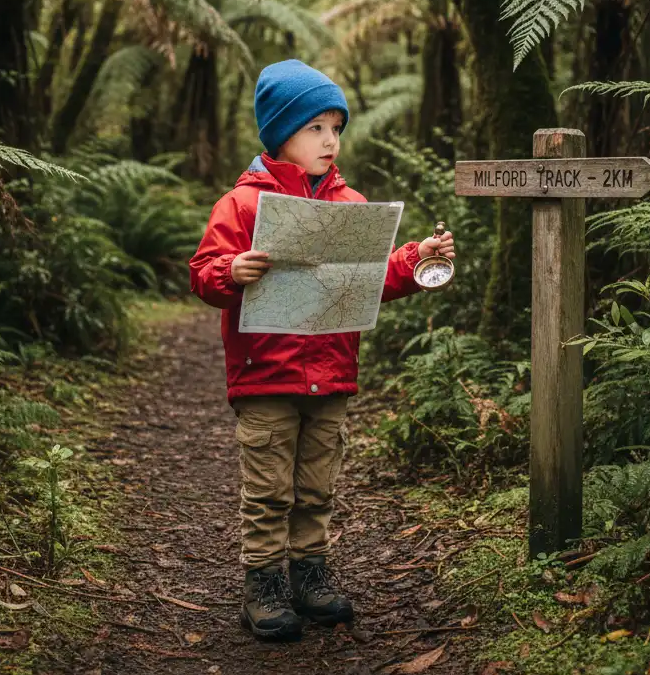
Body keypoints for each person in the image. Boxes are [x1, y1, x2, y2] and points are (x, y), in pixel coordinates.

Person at [189, 59, 456, 641]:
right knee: (268, 488)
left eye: (337, 128)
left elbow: (372, 276)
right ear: (280, 131)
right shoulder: (242, 205)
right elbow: (204, 274)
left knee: (316, 485)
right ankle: (262, 583)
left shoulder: (350, 204)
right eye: (316, 128)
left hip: (331, 374)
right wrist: (231, 270)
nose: (330, 141)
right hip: (266, 376)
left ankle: (310, 574)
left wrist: (416, 258)